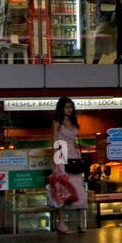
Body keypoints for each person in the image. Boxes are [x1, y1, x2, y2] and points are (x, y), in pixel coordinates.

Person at [51, 96, 90, 234]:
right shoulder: (57, 122)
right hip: (61, 156)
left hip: (74, 156)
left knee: (78, 187)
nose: (69, 110)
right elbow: (55, 141)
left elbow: (74, 141)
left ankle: (81, 222)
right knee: (62, 190)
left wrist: (79, 153)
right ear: (61, 108)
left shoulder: (74, 122)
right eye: (66, 107)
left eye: (71, 107)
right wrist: (56, 162)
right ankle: (61, 222)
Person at [89, 0, 117, 64]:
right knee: (100, 43)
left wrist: (102, 0)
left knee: (99, 42)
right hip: (100, 19)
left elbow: (114, 0)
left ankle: (94, 64)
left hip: (107, 19)